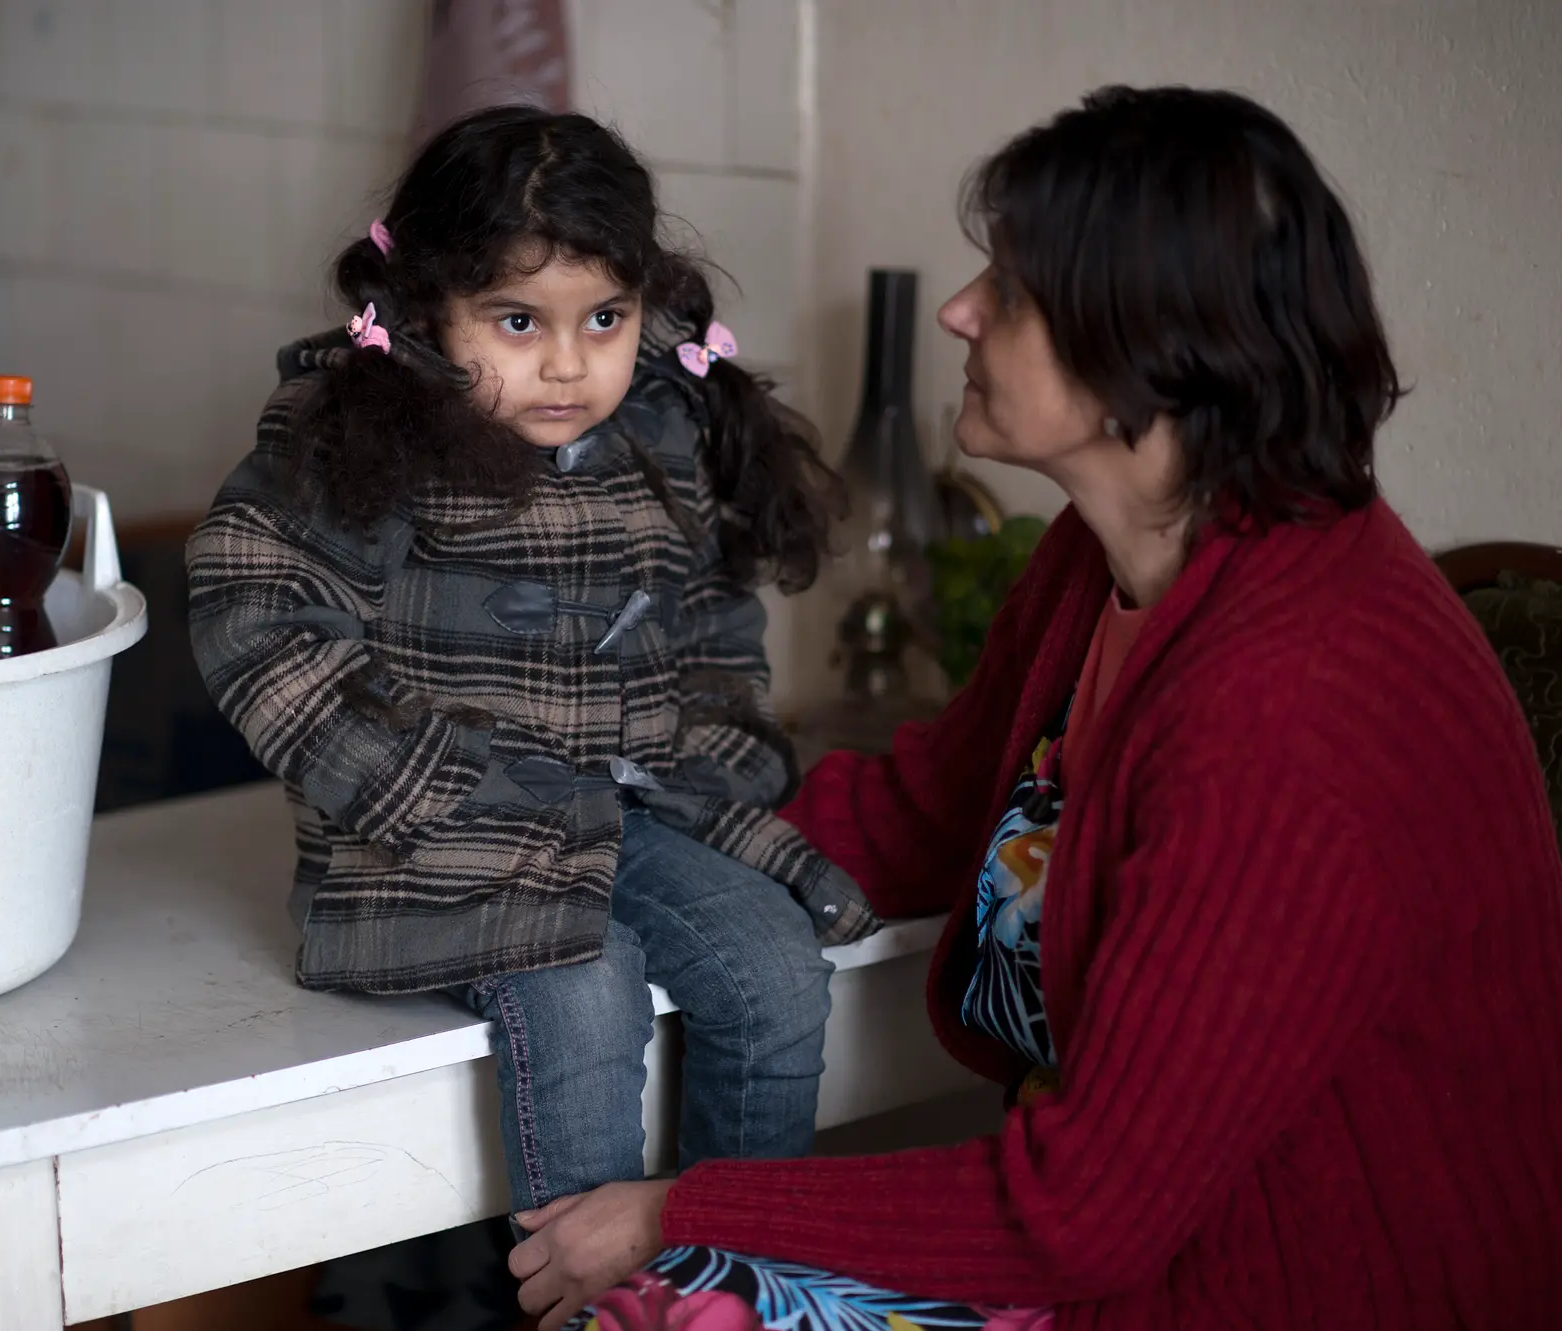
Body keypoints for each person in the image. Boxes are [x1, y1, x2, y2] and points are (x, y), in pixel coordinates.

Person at [510, 84, 1562, 1331]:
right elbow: (922, 813)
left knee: (650, 1305)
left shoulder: (1295, 709)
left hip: (1286, 1291)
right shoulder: (1105, 560)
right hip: (1129, 1253)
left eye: (1005, 292)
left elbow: (1080, 1210)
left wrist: (678, 1207)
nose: (957, 309)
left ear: (1145, 356)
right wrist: (594, 835)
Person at [186, 105, 877, 1232]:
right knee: (586, 988)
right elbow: (254, 614)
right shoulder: (358, 430)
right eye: (516, 321)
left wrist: (712, 757)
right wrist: (418, 787)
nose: (566, 363)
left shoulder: (662, 423)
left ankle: (737, 1274)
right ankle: (587, 1293)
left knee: (775, 963)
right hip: (434, 843)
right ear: (427, 308)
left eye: (604, 318)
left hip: (627, 814)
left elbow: (711, 612)